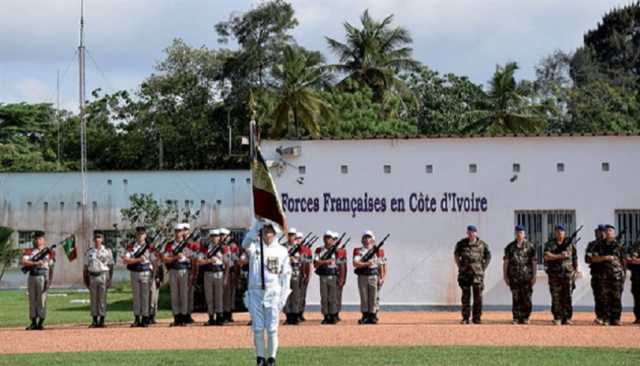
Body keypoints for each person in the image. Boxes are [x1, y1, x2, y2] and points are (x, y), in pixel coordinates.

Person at [242, 221, 291, 366]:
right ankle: (260, 358)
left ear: (275, 233)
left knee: (272, 328)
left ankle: (272, 358)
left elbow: (285, 275)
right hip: (255, 291)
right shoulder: (254, 247)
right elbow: (245, 243)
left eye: (270, 230)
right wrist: (257, 224)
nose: (267, 233)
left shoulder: (282, 250)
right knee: (257, 328)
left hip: (273, 291)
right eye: (265, 230)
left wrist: (284, 295)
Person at [454, 225, 491, 324]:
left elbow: (488, 256)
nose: (471, 234)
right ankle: (465, 318)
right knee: (465, 297)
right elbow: (456, 255)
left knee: (478, 297)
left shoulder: (482, 244)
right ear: (467, 233)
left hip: (477, 275)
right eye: (469, 232)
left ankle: (476, 318)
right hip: (465, 274)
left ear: (476, 233)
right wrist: (460, 266)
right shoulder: (461, 244)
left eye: (473, 232)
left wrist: (483, 268)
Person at [590, 224, 626, 325]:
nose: (608, 232)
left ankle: (616, 318)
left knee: (616, 297)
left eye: (610, 230)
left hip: (617, 276)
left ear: (614, 233)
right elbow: (592, 258)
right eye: (607, 231)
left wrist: (623, 274)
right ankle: (606, 318)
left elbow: (624, 261)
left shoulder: (619, 245)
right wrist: (605, 258)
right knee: (605, 297)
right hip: (603, 275)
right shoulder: (599, 245)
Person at [543, 225, 578, 325]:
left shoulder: (570, 244)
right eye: (557, 231)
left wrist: (576, 271)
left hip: (568, 274)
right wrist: (559, 256)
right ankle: (557, 317)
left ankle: (567, 317)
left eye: (561, 231)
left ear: (564, 233)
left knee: (568, 296)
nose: (559, 233)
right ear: (555, 233)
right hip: (555, 275)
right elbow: (546, 256)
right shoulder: (550, 244)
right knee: (556, 297)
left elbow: (575, 258)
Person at [164, 223, 197, 326]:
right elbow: (165, 258)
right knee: (174, 295)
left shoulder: (188, 245)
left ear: (183, 232)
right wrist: (175, 258)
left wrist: (192, 272)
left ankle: (184, 316)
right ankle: (176, 317)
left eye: (180, 231)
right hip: (173, 270)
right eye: (176, 231)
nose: (178, 233)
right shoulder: (170, 245)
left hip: (184, 271)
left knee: (184, 294)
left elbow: (193, 259)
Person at [21, 231, 55, 330]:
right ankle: (33, 322)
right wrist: (35, 263)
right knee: (32, 300)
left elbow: (52, 266)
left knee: (42, 299)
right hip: (32, 276)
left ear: (43, 240)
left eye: (40, 238)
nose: (37, 241)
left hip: (43, 276)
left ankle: (40, 322)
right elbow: (24, 262)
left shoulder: (49, 252)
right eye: (36, 239)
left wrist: (50, 280)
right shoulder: (30, 251)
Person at [502, 225, 536, 324]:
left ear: (524, 234)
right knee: (516, 298)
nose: (519, 234)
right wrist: (505, 276)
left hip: (527, 277)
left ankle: (526, 317)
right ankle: (516, 317)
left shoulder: (530, 246)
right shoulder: (510, 247)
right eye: (517, 233)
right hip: (514, 277)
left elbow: (534, 262)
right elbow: (506, 262)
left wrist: (534, 276)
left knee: (527, 298)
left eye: (521, 233)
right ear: (515, 234)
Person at [353, 230, 387, 324]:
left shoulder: (378, 251)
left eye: (369, 237)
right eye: (365, 237)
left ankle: (373, 315)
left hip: (373, 275)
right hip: (363, 275)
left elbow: (382, 266)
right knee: (364, 296)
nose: (367, 240)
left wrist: (382, 277)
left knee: (374, 296)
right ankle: (365, 315)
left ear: (373, 239)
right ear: (362, 240)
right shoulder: (358, 251)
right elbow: (355, 263)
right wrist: (366, 264)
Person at [83, 231, 114, 328]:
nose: (97, 239)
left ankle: (102, 320)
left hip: (103, 275)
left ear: (102, 239)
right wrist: (85, 279)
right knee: (93, 299)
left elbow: (111, 265)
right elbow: (85, 267)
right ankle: (94, 320)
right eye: (96, 237)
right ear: (93, 239)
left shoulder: (107, 251)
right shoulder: (89, 252)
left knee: (102, 298)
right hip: (92, 275)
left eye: (99, 237)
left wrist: (110, 278)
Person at [313, 231, 345, 324]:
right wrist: (326, 261)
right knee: (324, 297)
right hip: (323, 275)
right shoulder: (319, 250)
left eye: (329, 238)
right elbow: (315, 263)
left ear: (332, 239)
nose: (327, 240)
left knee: (333, 297)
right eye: (325, 237)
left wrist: (341, 278)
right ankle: (326, 316)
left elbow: (341, 265)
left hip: (334, 275)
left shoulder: (337, 250)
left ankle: (333, 315)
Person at [123, 226, 153, 327]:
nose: (140, 236)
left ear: (145, 235)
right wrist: (138, 260)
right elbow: (126, 260)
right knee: (136, 296)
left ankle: (145, 318)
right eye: (138, 234)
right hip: (134, 272)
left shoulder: (150, 247)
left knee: (145, 296)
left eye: (142, 234)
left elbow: (155, 260)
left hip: (145, 272)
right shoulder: (131, 246)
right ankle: (137, 318)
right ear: (136, 235)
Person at [199, 229, 226, 326]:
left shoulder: (223, 248)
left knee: (219, 296)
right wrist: (209, 260)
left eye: (217, 236)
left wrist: (226, 276)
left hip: (219, 273)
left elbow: (228, 263)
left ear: (219, 237)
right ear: (210, 237)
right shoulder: (205, 248)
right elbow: (199, 261)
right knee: (209, 296)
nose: (215, 238)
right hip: (208, 272)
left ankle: (219, 317)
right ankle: (211, 317)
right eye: (213, 236)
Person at [585, 225, 606, 324]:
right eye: (598, 232)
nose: (601, 233)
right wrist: (603, 258)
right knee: (598, 296)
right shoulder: (592, 245)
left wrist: (597, 258)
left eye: (603, 231)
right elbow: (587, 259)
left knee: (611, 296)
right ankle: (600, 316)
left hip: (610, 275)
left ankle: (611, 317)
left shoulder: (611, 244)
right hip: (597, 274)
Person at [283, 228, 303, 325]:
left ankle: (295, 316)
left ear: (295, 236)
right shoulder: (282, 247)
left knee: (295, 295)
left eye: (292, 235)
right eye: (289, 235)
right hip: (285, 273)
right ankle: (288, 316)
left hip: (295, 272)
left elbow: (302, 261)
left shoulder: (299, 247)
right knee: (286, 295)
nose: (291, 237)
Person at [221, 227, 239, 323]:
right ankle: (223, 313)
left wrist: (236, 274)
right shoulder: (218, 246)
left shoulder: (233, 246)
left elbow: (236, 262)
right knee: (222, 294)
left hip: (230, 272)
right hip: (220, 271)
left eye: (224, 235)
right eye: (221, 235)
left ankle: (228, 314)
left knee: (229, 294)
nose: (222, 237)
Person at [298, 232, 313, 322]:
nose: (298, 240)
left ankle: (300, 313)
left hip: (303, 275)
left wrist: (309, 276)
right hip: (293, 275)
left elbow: (310, 264)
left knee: (302, 295)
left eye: (300, 238)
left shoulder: (307, 250)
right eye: (297, 238)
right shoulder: (288, 248)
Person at [625, 235, 640, 324]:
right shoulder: (635, 246)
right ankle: (638, 317)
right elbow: (628, 260)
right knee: (637, 298)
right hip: (637, 277)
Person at [335, 234, 348, 323]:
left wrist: (343, 278)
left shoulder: (342, 251)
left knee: (338, 296)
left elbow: (344, 266)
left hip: (339, 276)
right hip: (330, 274)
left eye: (336, 240)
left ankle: (336, 313)